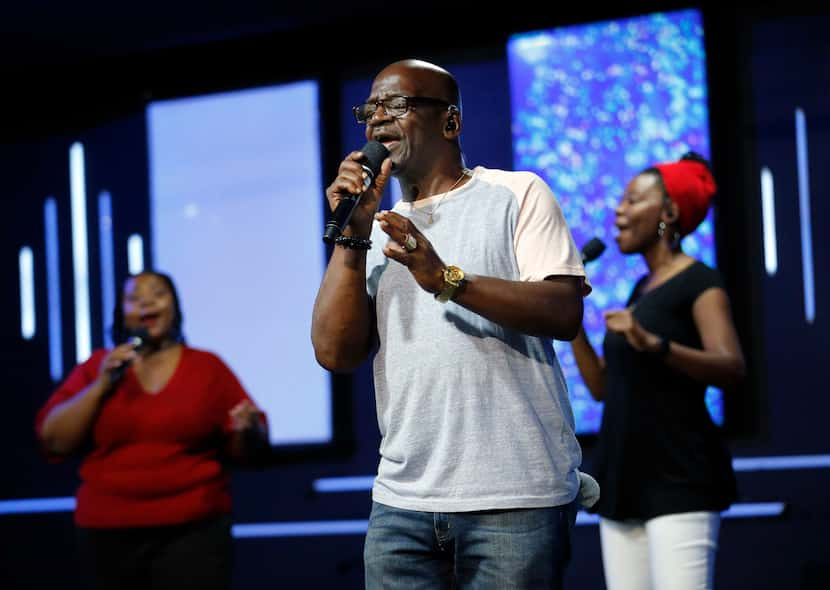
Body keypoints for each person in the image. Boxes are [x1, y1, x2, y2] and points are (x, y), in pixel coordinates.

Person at [312, 59, 590, 589]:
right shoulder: (373, 226)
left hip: (516, 497)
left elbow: (563, 311)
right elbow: (334, 352)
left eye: (395, 105)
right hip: (402, 502)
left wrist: (446, 279)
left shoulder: (517, 194)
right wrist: (352, 234)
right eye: (368, 109)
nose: (376, 121)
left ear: (451, 122)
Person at [570, 152, 745, 590]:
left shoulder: (700, 282)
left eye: (632, 200)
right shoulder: (641, 290)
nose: (619, 210)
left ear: (668, 213)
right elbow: (602, 388)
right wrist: (567, 315)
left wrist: (656, 344)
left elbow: (731, 368)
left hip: (678, 478)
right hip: (624, 476)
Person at [35, 271, 269, 590]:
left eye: (157, 293)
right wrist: (102, 385)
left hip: (194, 534)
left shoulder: (207, 367)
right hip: (107, 536)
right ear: (121, 312)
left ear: (174, 306)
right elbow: (53, 439)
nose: (146, 301)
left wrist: (247, 429)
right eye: (134, 297)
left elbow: (248, 447)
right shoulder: (99, 366)